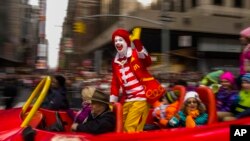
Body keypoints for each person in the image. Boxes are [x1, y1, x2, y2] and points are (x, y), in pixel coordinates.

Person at [109, 27, 165, 132]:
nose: (117, 42)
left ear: (126, 41)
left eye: (120, 40)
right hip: (127, 99)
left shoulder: (135, 53)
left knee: (130, 128)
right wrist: (112, 102)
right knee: (118, 126)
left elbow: (148, 61)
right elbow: (115, 82)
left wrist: (137, 42)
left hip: (141, 98)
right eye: (115, 41)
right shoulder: (115, 61)